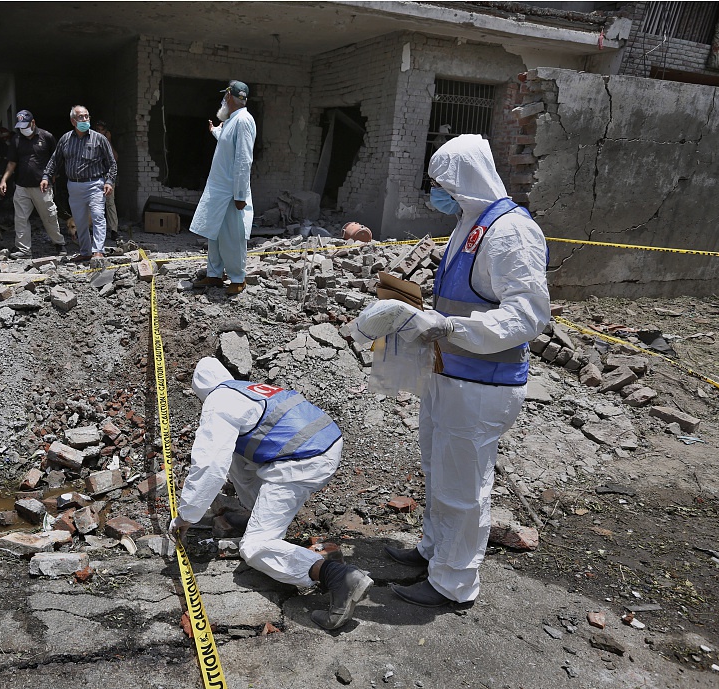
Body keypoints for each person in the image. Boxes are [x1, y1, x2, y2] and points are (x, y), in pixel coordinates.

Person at [350, 134, 550, 607]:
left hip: (483, 383)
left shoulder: (511, 232)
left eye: (443, 183)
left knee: (464, 488)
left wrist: (449, 326)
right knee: (439, 472)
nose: (437, 191)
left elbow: (528, 316)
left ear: (465, 180)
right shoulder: (471, 222)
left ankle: (454, 583)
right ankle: (434, 552)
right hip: (449, 373)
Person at [169, 357, 374, 630]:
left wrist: (186, 516)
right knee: (236, 455)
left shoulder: (218, 403)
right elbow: (235, 460)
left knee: (254, 548)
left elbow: (209, 466)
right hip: (326, 442)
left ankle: (337, 576)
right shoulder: (250, 390)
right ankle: (261, 520)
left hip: (304, 460)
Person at [189, 80, 256, 295]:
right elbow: (226, 141)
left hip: (230, 192)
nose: (223, 100)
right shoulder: (231, 121)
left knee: (232, 236)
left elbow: (244, 160)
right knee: (215, 234)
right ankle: (214, 275)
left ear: (229, 96)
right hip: (218, 190)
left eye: (225, 96)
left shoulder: (244, 120)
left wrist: (240, 194)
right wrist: (214, 131)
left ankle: (238, 278)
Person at [40, 105, 116, 263]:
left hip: (95, 184)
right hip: (74, 186)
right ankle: (86, 251)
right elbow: (55, 160)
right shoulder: (66, 139)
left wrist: (109, 181)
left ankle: (98, 251)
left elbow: (112, 163)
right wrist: (46, 176)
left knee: (97, 216)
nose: (85, 120)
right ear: (73, 121)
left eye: (87, 116)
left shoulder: (99, 139)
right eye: (81, 117)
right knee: (80, 221)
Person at [0, 110, 66, 258]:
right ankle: (24, 250)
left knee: (49, 216)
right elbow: (12, 162)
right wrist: (4, 180)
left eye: (26, 126)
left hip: (42, 186)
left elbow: (56, 159)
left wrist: (52, 175)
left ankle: (59, 244)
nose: (23, 129)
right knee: (21, 219)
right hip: (22, 186)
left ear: (33, 123)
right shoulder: (16, 140)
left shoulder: (46, 137)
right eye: (21, 127)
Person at [93, 120, 119, 240]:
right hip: (94, 177)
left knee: (110, 203)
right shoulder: (92, 142)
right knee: (94, 204)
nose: (99, 132)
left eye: (102, 130)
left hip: (107, 177)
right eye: (97, 130)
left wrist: (108, 140)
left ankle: (114, 230)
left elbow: (115, 158)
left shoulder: (108, 143)